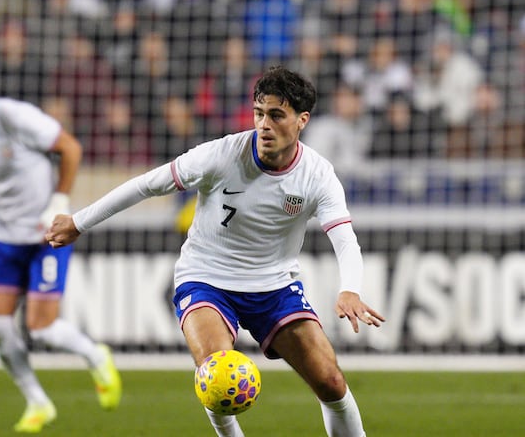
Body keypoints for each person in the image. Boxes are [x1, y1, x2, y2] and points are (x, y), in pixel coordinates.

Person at [46, 66, 385, 437]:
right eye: (259, 113)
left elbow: (345, 237)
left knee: (332, 382)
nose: (264, 125)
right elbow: (147, 185)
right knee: (217, 374)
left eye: (276, 115)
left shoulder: (318, 175)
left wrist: (350, 288)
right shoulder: (222, 155)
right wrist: (79, 222)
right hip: (206, 277)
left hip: (273, 285)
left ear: (302, 120)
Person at [0, 57, 121, 434]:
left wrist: (59, 202)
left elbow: (70, 148)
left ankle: (95, 354)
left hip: (46, 233)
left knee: (42, 329)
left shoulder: (15, 117)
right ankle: (37, 401)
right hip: (1, 235)